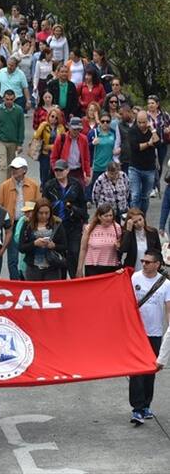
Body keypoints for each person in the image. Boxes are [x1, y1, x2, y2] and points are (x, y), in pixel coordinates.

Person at [129, 250, 170, 424]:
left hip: (155, 333)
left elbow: (168, 309)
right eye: (143, 261)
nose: (144, 264)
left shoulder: (166, 284)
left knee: (150, 371)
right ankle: (136, 408)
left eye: (148, 262)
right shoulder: (134, 278)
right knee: (136, 371)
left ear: (157, 264)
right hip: (136, 333)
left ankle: (146, 405)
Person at [42, 160, 88, 278]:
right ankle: (61, 281)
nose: (58, 172)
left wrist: (85, 222)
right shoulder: (49, 186)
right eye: (56, 170)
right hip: (56, 226)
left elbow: (82, 204)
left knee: (73, 252)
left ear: (67, 171)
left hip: (73, 224)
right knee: (59, 254)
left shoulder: (76, 184)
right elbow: (44, 204)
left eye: (61, 170)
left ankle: (75, 280)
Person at [0, 157, 41, 280]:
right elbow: (0, 206)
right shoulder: (5, 186)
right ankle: (15, 281)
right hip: (11, 224)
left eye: (17, 169)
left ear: (24, 170)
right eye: (13, 168)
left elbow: (38, 204)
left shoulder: (33, 185)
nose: (14, 171)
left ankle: (25, 279)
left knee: (27, 254)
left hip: (28, 223)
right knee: (12, 257)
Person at [18, 198, 67, 281]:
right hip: (33, 268)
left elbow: (64, 246)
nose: (44, 216)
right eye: (41, 213)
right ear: (36, 212)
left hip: (52, 267)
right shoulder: (27, 225)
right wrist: (34, 244)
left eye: (46, 213)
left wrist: (53, 245)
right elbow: (21, 248)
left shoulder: (57, 224)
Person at [76, 203, 122, 277]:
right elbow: (83, 249)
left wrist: (119, 245)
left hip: (111, 266)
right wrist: (79, 268)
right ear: (99, 216)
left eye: (111, 215)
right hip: (93, 267)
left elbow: (121, 244)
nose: (109, 218)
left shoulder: (117, 227)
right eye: (106, 216)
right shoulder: (89, 228)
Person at [0, 90, 26, 181]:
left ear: (14, 99)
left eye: (11, 99)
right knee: (3, 165)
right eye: (7, 99)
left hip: (13, 142)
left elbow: (21, 127)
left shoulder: (19, 110)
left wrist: (20, 143)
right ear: (3, 98)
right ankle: (2, 188)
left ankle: (9, 186)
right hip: (1, 141)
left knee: (11, 166)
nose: (9, 101)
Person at [129, 111, 159, 214]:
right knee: (135, 195)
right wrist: (148, 144)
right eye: (139, 122)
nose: (142, 125)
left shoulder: (152, 130)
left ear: (148, 121)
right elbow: (135, 147)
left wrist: (153, 130)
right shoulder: (133, 130)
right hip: (135, 167)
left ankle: (142, 218)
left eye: (144, 122)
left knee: (145, 196)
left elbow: (157, 143)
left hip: (149, 168)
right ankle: (133, 217)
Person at [50, 117, 92, 187]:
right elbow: (53, 157)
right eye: (74, 129)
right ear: (69, 127)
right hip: (64, 172)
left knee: (79, 194)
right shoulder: (61, 138)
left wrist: (88, 174)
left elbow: (86, 159)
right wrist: (57, 171)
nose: (76, 131)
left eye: (79, 129)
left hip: (78, 172)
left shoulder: (84, 139)